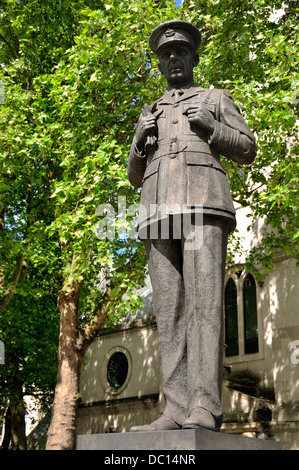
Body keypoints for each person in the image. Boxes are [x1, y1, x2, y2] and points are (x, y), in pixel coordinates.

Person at [127, 20, 256, 432]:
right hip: (158, 210)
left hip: (202, 205)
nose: (173, 59)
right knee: (169, 311)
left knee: (203, 305)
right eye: (166, 55)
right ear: (159, 64)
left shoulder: (214, 98)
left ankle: (205, 405)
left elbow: (248, 149)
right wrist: (137, 142)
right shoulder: (151, 112)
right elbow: (133, 175)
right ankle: (175, 406)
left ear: (193, 58)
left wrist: (213, 127)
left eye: (181, 52)